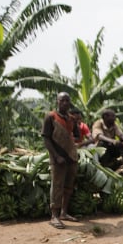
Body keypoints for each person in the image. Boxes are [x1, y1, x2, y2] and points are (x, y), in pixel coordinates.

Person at [42, 93, 80, 229]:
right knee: (57, 186)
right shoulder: (51, 117)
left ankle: (64, 212)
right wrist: (57, 156)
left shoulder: (71, 118)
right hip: (57, 157)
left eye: (67, 100)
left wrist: (71, 141)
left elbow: (76, 135)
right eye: (62, 100)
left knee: (68, 186)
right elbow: (46, 138)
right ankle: (54, 216)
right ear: (57, 102)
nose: (65, 103)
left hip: (71, 156)